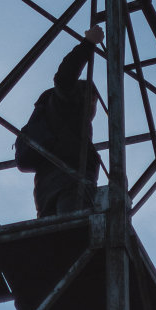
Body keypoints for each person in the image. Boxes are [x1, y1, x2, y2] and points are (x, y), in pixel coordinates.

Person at [14, 25, 103, 217]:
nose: (94, 108)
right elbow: (64, 77)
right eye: (93, 101)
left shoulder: (49, 118)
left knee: (53, 239)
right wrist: (88, 44)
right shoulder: (66, 104)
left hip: (47, 189)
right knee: (73, 234)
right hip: (70, 184)